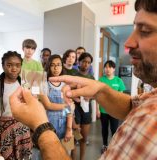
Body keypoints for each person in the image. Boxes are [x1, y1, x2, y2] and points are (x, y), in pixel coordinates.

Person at [10, 0, 157, 159]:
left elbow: (61, 108)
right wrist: (101, 90)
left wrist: (42, 128)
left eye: (146, 30)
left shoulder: (151, 129)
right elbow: (133, 107)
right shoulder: (151, 98)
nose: (128, 44)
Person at [0, 51, 32, 159]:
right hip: (4, 130)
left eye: (17, 65)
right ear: (3, 66)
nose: (14, 69)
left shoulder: (25, 84)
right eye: (9, 65)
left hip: (23, 130)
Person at [97, 60, 125, 153]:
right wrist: (97, 109)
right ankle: (105, 144)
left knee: (114, 129)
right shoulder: (101, 80)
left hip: (115, 110)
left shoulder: (118, 80)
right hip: (103, 109)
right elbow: (98, 95)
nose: (107, 69)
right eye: (106, 67)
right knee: (104, 129)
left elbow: (121, 96)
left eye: (110, 67)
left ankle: (113, 146)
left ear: (114, 69)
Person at [74, 52, 95, 160]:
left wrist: (90, 97)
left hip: (86, 110)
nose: (86, 64)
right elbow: (66, 92)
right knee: (74, 138)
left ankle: (82, 158)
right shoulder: (74, 75)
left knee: (83, 138)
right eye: (84, 62)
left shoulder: (92, 77)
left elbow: (96, 94)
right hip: (75, 110)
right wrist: (75, 97)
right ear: (79, 62)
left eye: (88, 62)